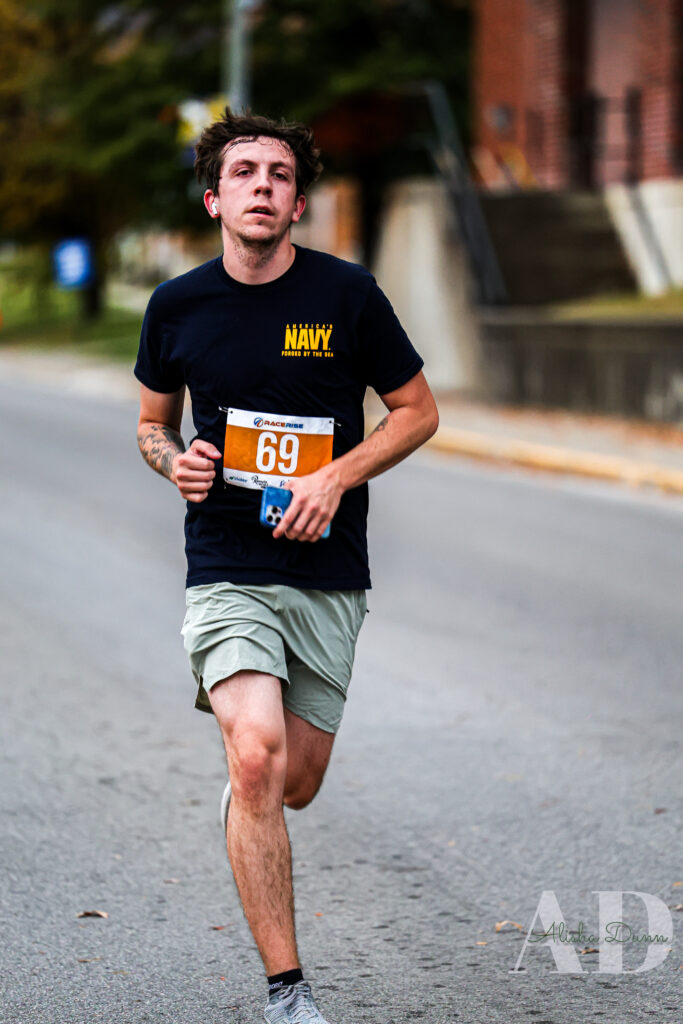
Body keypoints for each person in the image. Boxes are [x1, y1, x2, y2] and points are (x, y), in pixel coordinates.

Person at [135, 108, 438, 1024]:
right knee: (258, 753)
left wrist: (336, 477)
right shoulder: (176, 306)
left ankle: (248, 796)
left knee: (290, 781)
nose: (261, 186)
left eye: (277, 175)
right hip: (225, 558)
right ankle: (287, 992)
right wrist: (173, 460)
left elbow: (417, 410)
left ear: (298, 203)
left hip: (327, 571)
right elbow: (153, 424)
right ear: (213, 197)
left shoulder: (347, 296)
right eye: (244, 173)